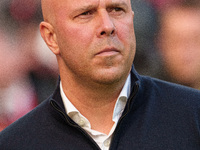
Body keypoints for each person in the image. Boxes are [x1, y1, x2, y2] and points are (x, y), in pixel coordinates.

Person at [0, 0, 200, 149]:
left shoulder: (194, 115)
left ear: (132, 17)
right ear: (51, 37)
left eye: (117, 10)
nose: (107, 26)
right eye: (86, 13)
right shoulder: (15, 143)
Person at [157, 0, 200, 89]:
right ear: (160, 44)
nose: (186, 51)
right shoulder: (143, 94)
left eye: (195, 40)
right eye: (175, 41)